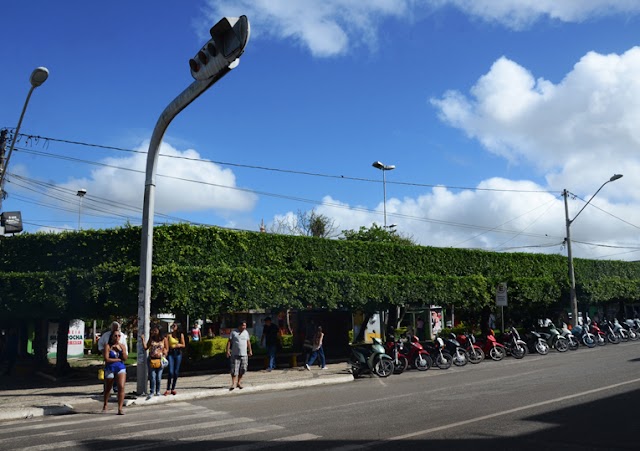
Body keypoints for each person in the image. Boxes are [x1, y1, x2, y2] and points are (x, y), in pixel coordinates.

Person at [97, 322, 128, 394]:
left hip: (119, 359)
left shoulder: (122, 336)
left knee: (118, 375)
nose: (117, 337)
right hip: (109, 358)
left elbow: (125, 348)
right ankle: (106, 390)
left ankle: (116, 389)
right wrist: (103, 351)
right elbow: (100, 343)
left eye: (117, 327)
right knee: (108, 376)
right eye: (114, 327)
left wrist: (123, 354)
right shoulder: (106, 335)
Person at [102, 329, 127, 415]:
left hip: (120, 367)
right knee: (108, 388)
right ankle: (105, 403)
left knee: (121, 386)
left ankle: (120, 408)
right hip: (110, 368)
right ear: (112, 337)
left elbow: (125, 358)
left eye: (119, 336)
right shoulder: (108, 346)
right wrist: (118, 359)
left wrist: (121, 350)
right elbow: (107, 359)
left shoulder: (122, 346)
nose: (117, 338)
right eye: (115, 336)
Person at [141, 325, 167, 398]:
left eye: (155, 330)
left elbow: (166, 348)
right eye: (153, 330)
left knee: (158, 377)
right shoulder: (151, 339)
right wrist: (143, 340)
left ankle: (158, 391)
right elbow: (146, 347)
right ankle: (152, 391)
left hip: (160, 360)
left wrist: (164, 353)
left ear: (159, 331)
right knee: (152, 376)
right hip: (151, 359)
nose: (154, 332)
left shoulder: (164, 339)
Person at [226, 321, 252, 390]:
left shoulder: (246, 332)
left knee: (243, 369)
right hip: (235, 354)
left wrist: (250, 350)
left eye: (245, 325)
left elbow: (248, 342)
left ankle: (239, 382)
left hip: (244, 354)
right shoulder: (233, 332)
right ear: (240, 326)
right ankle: (233, 383)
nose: (244, 327)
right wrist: (228, 350)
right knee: (234, 370)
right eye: (243, 325)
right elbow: (229, 341)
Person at [165, 323, 185, 395]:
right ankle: (168, 388)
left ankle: (173, 388)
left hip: (178, 353)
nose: (173, 327)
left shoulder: (180, 335)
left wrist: (178, 345)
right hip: (171, 353)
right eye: (172, 326)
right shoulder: (169, 335)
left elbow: (183, 344)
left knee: (176, 372)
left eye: (174, 326)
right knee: (170, 371)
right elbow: (166, 344)